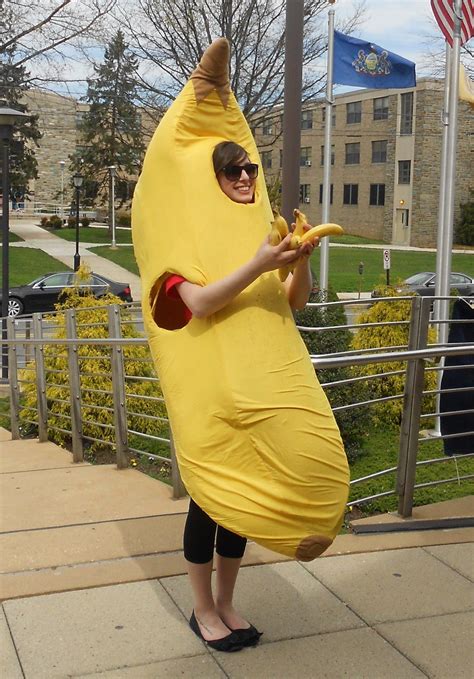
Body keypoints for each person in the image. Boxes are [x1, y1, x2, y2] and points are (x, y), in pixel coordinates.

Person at [163, 141, 319, 652]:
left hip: (259, 392)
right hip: (210, 396)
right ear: (212, 178)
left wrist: (299, 262)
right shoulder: (183, 230)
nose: (246, 177)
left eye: (250, 169)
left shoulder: (262, 229)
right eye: (233, 171)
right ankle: (201, 608)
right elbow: (198, 303)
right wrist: (259, 262)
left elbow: (293, 302)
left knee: (241, 506)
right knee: (208, 503)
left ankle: (226, 602)